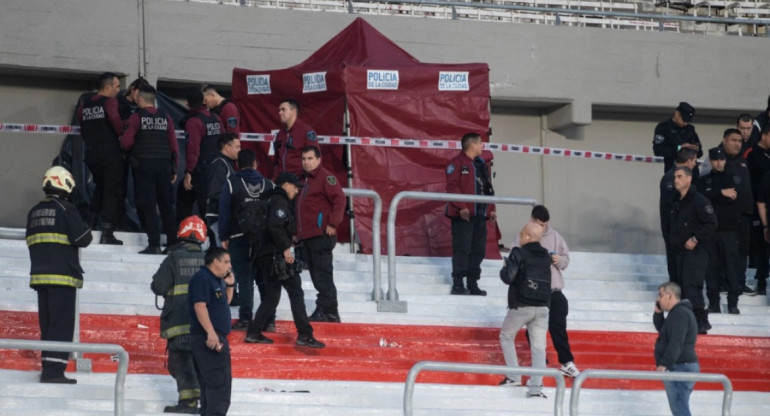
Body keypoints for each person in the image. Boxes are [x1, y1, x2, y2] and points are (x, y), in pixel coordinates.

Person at [26, 166, 93, 384]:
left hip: (40, 277)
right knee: (61, 326)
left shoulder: (34, 211)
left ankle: (48, 368)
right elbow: (83, 238)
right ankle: (54, 372)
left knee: (47, 325)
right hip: (62, 277)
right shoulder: (66, 209)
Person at [244, 172, 325, 348]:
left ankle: (254, 331)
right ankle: (305, 334)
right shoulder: (279, 201)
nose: (296, 191)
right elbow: (275, 226)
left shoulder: (267, 200)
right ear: (286, 185)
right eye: (295, 187)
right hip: (276, 256)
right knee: (296, 292)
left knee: (272, 296)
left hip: (264, 255)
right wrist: (285, 248)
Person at [151, 216, 207, 414]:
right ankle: (203, 400)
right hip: (204, 326)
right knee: (200, 361)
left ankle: (188, 402)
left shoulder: (173, 258)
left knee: (181, 362)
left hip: (178, 323)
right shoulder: (210, 260)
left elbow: (158, 286)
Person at [515, 205, 579, 378]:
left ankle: (567, 362)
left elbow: (566, 260)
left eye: (545, 224)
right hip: (533, 291)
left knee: (558, 327)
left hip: (553, 290)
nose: (543, 228)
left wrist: (560, 260)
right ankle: (539, 361)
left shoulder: (555, 236)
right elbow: (515, 259)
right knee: (533, 328)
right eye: (540, 224)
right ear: (532, 220)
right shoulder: (524, 236)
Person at [219, 149, 274, 330]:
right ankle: (269, 320)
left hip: (238, 238)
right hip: (264, 239)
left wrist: (223, 236)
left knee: (244, 279)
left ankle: (245, 319)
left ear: (237, 164)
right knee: (264, 279)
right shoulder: (269, 185)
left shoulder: (231, 183)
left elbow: (224, 213)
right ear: (255, 164)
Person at [121, 85, 179, 254]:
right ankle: (172, 242)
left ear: (140, 99)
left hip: (144, 165)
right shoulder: (165, 117)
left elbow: (127, 143)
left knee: (148, 205)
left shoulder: (136, 117)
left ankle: (154, 244)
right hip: (164, 165)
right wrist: (174, 167)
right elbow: (173, 144)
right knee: (166, 205)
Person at [498, 222, 550, 399]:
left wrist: (505, 268)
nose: (519, 236)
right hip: (543, 306)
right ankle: (536, 389)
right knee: (539, 348)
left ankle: (513, 376)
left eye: (521, 234)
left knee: (506, 335)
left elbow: (508, 277)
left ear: (528, 236)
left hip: (522, 304)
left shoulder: (518, 253)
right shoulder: (545, 256)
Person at [297, 146, 346, 322]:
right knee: (319, 274)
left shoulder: (325, 177)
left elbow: (340, 200)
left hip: (321, 234)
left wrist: (333, 223)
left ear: (318, 159)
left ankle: (324, 309)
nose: (306, 162)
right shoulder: (303, 179)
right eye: (303, 159)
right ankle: (332, 312)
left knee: (321, 275)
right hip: (308, 235)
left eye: (310, 158)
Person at [445, 133, 497, 296]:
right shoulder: (457, 163)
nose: (483, 146)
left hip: (480, 216)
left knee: (478, 250)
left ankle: (473, 283)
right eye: (480, 143)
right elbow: (452, 187)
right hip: (463, 216)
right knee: (462, 249)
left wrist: (492, 208)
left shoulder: (482, 165)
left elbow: (488, 189)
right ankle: (458, 283)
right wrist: (462, 207)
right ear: (472, 145)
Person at [77, 72, 125, 245]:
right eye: (117, 86)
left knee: (100, 187)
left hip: (91, 153)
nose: (118, 90)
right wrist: (123, 134)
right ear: (108, 87)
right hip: (109, 152)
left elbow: (82, 130)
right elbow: (117, 123)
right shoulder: (110, 102)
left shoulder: (85, 105)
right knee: (111, 191)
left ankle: (90, 222)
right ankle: (107, 232)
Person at [187, 247, 235, 416]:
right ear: (215, 261)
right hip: (209, 338)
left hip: (214, 336)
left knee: (213, 387)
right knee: (218, 387)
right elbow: (199, 307)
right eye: (226, 262)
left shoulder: (215, 280)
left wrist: (230, 285)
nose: (229, 266)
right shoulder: (203, 278)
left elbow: (223, 305)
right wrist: (211, 332)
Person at [669, 166, 717, 334]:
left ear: (689, 179)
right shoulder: (677, 201)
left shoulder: (699, 200)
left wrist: (696, 238)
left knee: (692, 285)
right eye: (675, 177)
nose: (676, 180)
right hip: (681, 251)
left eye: (680, 176)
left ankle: (701, 321)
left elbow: (711, 224)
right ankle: (688, 321)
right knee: (683, 286)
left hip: (697, 250)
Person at [696, 147, 742, 315]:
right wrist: (721, 193)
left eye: (721, 159)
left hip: (729, 231)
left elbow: (734, 197)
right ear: (711, 161)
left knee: (731, 268)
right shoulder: (703, 180)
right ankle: (714, 303)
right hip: (710, 232)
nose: (718, 163)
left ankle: (732, 304)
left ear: (725, 160)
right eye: (715, 160)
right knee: (711, 269)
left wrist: (714, 195)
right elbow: (700, 198)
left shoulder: (733, 178)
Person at [177, 87, 222, 228]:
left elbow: (193, 149)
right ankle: (211, 240)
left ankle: (183, 237)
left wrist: (189, 172)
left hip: (200, 170)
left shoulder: (194, 122)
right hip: (215, 169)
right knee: (208, 206)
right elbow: (224, 140)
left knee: (186, 201)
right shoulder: (215, 118)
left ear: (187, 103)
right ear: (203, 101)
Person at [654, 281, 699, 416]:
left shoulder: (680, 314)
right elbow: (664, 332)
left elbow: (676, 342)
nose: (658, 299)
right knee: (679, 408)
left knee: (680, 409)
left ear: (670, 296)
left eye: (661, 295)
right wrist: (658, 313)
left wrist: (664, 364)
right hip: (680, 365)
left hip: (680, 366)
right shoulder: (677, 313)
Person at [719, 129, 754, 296]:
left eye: (739, 141)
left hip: (744, 213)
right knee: (728, 250)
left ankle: (740, 281)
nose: (737, 144)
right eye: (733, 140)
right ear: (725, 140)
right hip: (726, 215)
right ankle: (725, 282)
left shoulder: (742, 160)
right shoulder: (718, 160)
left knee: (743, 251)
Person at [659, 148, 698, 284]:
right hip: (674, 230)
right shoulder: (672, 178)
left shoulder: (677, 176)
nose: (695, 164)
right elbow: (674, 205)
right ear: (688, 161)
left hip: (679, 229)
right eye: (694, 161)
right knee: (677, 267)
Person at [743, 124, 770, 295]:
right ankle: (761, 280)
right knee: (762, 245)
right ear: (764, 135)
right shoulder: (752, 155)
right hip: (758, 205)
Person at [205, 133, 240, 245]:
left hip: (222, 216)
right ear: (227, 147)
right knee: (220, 253)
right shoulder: (220, 164)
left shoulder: (226, 164)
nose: (239, 150)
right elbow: (215, 192)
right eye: (237, 147)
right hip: (217, 217)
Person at [652, 102, 702, 176]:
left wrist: (695, 148)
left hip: (692, 173)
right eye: (684, 119)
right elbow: (658, 150)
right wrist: (679, 148)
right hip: (673, 171)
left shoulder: (690, 129)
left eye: (687, 120)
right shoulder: (663, 127)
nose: (685, 123)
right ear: (677, 114)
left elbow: (700, 152)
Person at [274, 99, 319, 177]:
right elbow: (277, 160)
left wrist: (307, 181)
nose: (280, 113)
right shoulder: (280, 134)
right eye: (279, 110)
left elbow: (316, 158)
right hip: (281, 182)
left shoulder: (306, 131)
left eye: (283, 110)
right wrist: (275, 177)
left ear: (293, 112)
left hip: (298, 182)